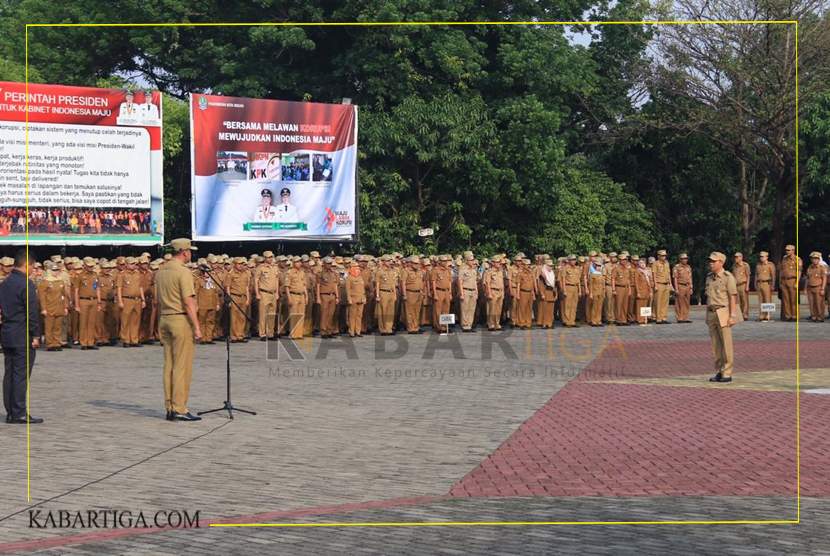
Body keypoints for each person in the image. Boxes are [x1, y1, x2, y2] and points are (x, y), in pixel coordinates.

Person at [155, 238, 203, 421]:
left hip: (165, 318)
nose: (191, 254)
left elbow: (158, 300)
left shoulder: (161, 271)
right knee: (182, 366)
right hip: (181, 320)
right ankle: (180, 408)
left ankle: (169, 406)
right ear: (185, 252)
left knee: (169, 365)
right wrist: (197, 327)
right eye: (190, 251)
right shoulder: (183, 272)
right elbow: (188, 302)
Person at [1, 249, 43, 424]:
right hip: (22, 334)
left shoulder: (5, 283)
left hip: (8, 333)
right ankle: (19, 412)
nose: (34, 270)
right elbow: (31, 312)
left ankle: (11, 411)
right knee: (20, 375)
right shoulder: (26, 284)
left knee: (9, 374)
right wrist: (35, 335)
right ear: (27, 265)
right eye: (33, 267)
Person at [705, 252, 738, 383]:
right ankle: (719, 369)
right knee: (716, 344)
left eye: (714, 261)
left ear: (721, 262)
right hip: (712, 312)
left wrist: (732, 315)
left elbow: (732, 297)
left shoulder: (728, 277)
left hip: (724, 312)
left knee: (726, 343)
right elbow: (708, 297)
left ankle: (727, 372)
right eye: (710, 261)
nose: (711, 263)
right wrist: (707, 315)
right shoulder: (709, 277)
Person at [778, 245, 802, 321]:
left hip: (792, 280)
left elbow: (799, 271)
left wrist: (796, 283)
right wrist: (780, 282)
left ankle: (794, 315)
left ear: (793, 251)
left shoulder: (797, 259)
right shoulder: (784, 259)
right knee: (786, 299)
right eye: (786, 250)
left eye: (789, 250)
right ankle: (787, 316)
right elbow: (781, 271)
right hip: (784, 280)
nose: (787, 252)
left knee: (793, 299)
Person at [804, 252, 826, 322]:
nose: (814, 260)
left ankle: (820, 317)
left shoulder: (822, 268)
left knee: (819, 303)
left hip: (818, 287)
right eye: (813, 259)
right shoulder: (810, 267)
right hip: (810, 287)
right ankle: (813, 317)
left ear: (819, 260)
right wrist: (805, 288)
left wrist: (823, 288)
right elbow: (807, 278)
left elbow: (824, 279)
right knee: (811, 303)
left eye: (816, 259)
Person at [754, 251, 776, 322]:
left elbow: (773, 276)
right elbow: (756, 275)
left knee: (767, 300)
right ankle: (761, 315)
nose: (761, 258)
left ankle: (768, 315)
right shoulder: (758, 265)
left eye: (763, 257)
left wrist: (773, 285)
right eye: (760, 257)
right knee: (760, 300)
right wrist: (755, 284)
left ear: (767, 257)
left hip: (767, 283)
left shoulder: (770, 265)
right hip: (759, 283)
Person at [732, 252, 751, 321]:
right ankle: (739, 315)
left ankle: (745, 315)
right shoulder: (734, 266)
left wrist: (747, 286)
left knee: (744, 301)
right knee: (737, 301)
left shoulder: (745, 265)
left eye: (737, 257)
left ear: (741, 257)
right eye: (735, 257)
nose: (735, 258)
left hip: (743, 284)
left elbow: (748, 276)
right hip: (736, 285)